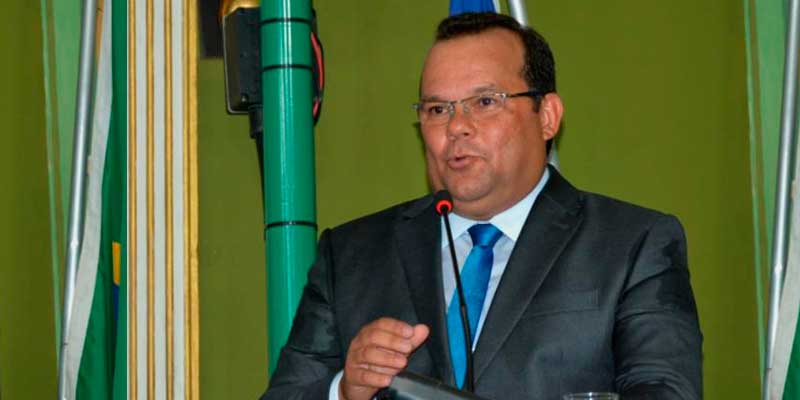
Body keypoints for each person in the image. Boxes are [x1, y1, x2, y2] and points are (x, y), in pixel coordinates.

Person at [261, 12, 702, 400]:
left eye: (485, 102)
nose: (456, 127)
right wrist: (344, 390)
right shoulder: (351, 254)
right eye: (437, 109)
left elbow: (665, 391)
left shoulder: (632, 244)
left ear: (547, 116)